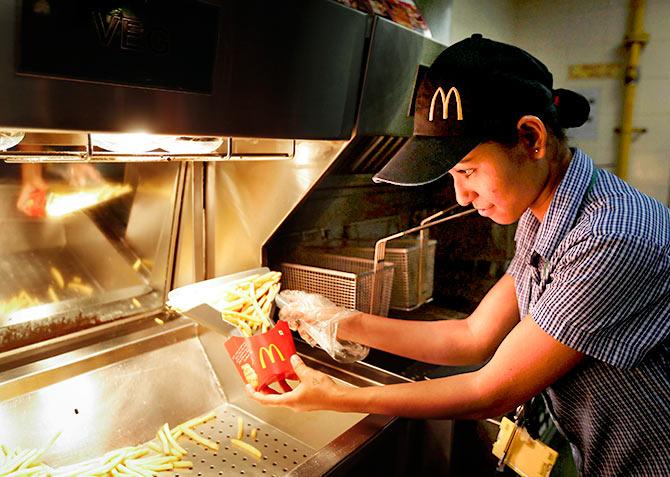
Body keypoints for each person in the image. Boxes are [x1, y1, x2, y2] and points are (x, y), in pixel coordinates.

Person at [248, 34, 670, 476]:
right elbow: (472, 335)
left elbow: (493, 390)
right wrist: (341, 321)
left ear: (531, 138)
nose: (462, 196)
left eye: (468, 170)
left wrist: (335, 396)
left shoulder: (612, 237)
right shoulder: (543, 212)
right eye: (453, 175)